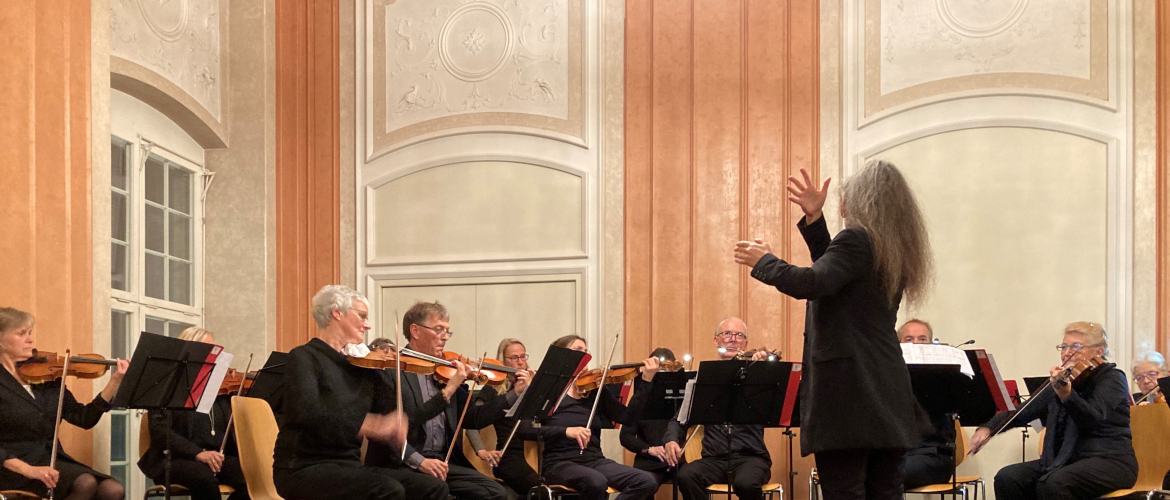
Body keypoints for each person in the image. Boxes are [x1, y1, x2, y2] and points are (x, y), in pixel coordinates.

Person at [733, 162, 932, 500]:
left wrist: (765, 261)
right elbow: (836, 280)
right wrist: (814, 220)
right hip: (886, 392)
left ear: (860, 202)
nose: (842, 204)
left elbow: (814, 282)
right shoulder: (892, 248)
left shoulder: (857, 239)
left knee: (844, 492)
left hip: (848, 395)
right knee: (886, 493)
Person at [272, 285, 444, 500]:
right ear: (337, 312)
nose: (368, 325)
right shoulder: (304, 357)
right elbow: (308, 413)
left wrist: (383, 373)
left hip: (349, 466)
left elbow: (394, 414)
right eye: (362, 316)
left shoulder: (361, 366)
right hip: (303, 466)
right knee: (388, 489)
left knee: (433, 487)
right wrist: (368, 425)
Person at [364, 302, 521, 500]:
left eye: (447, 331)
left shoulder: (445, 371)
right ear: (415, 331)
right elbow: (399, 425)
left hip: (443, 461)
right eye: (439, 329)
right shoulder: (391, 369)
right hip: (401, 462)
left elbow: (474, 419)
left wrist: (514, 393)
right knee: (435, 487)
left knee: (495, 492)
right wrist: (448, 390)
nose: (445, 337)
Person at [970, 322, 1137, 499]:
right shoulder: (1064, 380)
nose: (1067, 352)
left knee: (1054, 483)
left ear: (1099, 351)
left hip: (1109, 461)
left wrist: (1067, 395)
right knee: (1008, 477)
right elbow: (1024, 411)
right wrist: (989, 428)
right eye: (1064, 347)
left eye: (1076, 347)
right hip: (1065, 460)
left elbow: (1092, 420)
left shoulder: (1112, 378)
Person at [0, 306, 130, 500]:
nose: (30, 339)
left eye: (30, 333)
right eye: (21, 334)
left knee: (112, 490)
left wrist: (115, 382)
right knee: (85, 483)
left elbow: (84, 419)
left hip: (51, 461)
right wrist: (28, 469)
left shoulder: (47, 378)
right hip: (13, 468)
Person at [525, 334, 660, 500]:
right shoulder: (547, 389)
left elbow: (626, 417)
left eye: (586, 351)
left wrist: (646, 381)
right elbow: (525, 429)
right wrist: (566, 431)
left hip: (595, 460)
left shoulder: (594, 390)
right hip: (559, 463)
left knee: (646, 481)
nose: (585, 355)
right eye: (578, 350)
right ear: (561, 355)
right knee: (596, 482)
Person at [662, 319, 773, 500]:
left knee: (746, 483)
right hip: (714, 459)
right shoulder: (703, 381)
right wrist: (671, 440)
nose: (733, 339)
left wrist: (765, 368)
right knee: (687, 476)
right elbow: (679, 420)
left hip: (750, 458)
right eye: (727, 334)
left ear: (745, 344)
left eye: (739, 335)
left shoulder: (758, 376)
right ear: (716, 341)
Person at [138, 327, 249, 500]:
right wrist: (197, 453)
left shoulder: (221, 391)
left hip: (215, 457)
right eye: (207, 351)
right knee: (203, 477)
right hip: (176, 458)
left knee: (253, 476)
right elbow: (159, 431)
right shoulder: (166, 385)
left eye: (215, 352)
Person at [464, 338, 541, 497]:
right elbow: (472, 421)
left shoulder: (534, 384)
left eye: (523, 356)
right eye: (514, 358)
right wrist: (481, 451)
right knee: (538, 492)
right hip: (509, 457)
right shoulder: (493, 389)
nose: (520, 362)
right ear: (503, 361)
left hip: (536, 453)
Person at [898, 321, 955, 490]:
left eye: (922, 339)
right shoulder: (888, 375)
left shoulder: (943, 377)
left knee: (889, 476)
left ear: (931, 344)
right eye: (909, 339)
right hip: (897, 454)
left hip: (933, 455)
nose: (916, 344)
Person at [620, 347, 681, 490]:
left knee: (691, 477)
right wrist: (649, 449)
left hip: (680, 458)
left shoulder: (683, 396)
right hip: (650, 460)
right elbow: (625, 436)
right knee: (643, 483)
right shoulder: (640, 399)